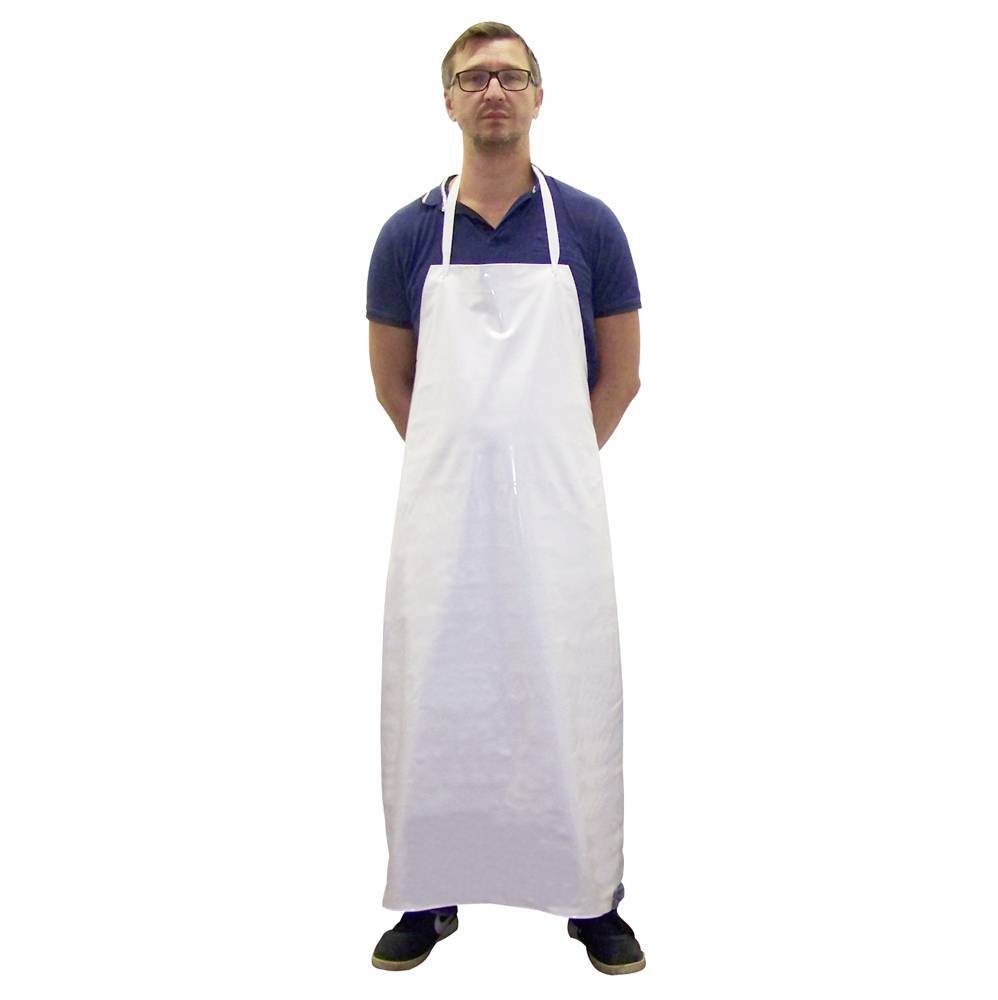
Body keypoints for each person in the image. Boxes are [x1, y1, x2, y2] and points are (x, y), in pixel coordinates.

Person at [366, 22, 645, 975]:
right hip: (442, 515)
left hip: (560, 516)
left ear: (537, 96)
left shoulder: (591, 228)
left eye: (511, 76)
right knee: (438, 692)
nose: (494, 91)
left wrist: (551, 464)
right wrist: (463, 466)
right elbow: (392, 382)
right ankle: (428, 893)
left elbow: (622, 376)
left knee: (569, 687)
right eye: (474, 77)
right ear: (448, 99)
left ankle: (592, 898)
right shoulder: (407, 235)